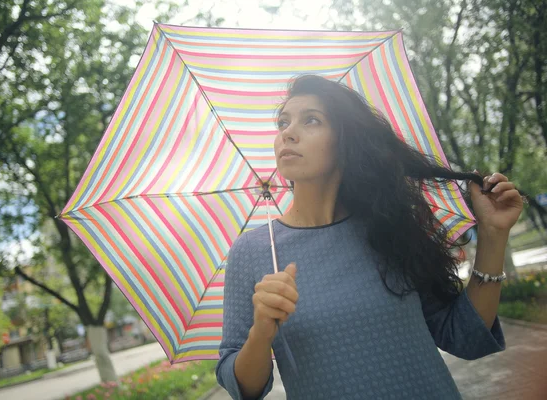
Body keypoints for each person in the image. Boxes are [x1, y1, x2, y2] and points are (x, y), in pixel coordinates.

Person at [215, 75, 524, 399]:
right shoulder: (252, 251)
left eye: (311, 120)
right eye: (283, 122)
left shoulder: (390, 229)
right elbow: (243, 388)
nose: (287, 133)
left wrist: (493, 235)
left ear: (346, 140)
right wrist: (261, 333)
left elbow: (464, 337)